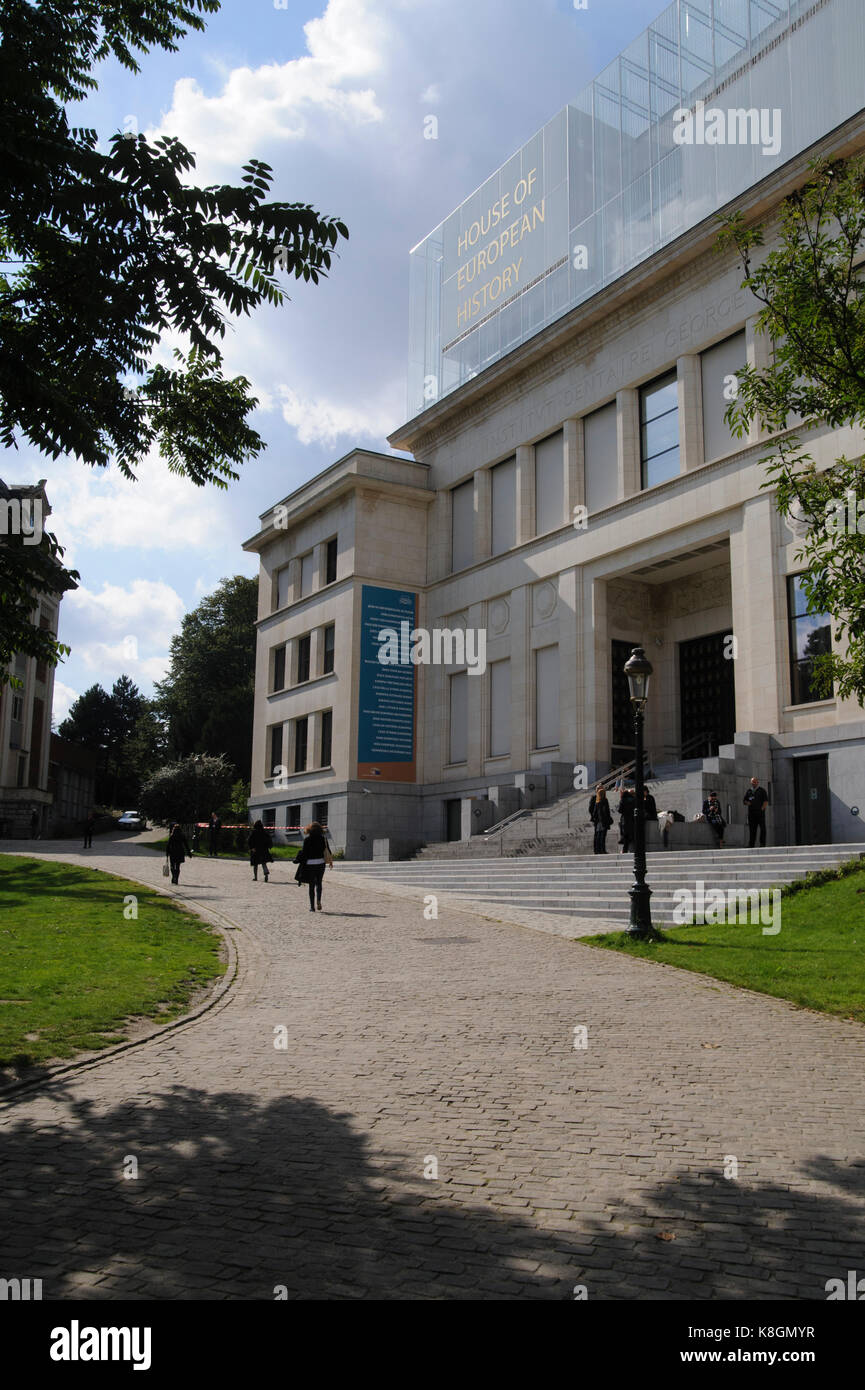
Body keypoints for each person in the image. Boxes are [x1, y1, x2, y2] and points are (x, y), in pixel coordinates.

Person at [296, 821, 329, 912]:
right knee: (319, 883)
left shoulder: (307, 840)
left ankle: (312, 907)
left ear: (309, 829)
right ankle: (318, 900)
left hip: (310, 864)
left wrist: (298, 860)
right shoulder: (323, 839)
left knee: (311, 885)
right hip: (321, 863)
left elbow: (304, 853)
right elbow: (327, 851)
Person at [743, 776, 769, 847]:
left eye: (755, 782)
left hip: (760, 813)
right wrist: (747, 802)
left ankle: (762, 844)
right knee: (752, 830)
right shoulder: (749, 791)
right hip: (751, 814)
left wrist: (762, 808)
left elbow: (766, 801)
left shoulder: (762, 790)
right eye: (752, 782)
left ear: (757, 782)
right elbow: (744, 800)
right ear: (751, 782)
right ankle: (751, 844)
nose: (753, 783)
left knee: (762, 829)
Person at [588, 784, 613, 854]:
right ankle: (598, 850)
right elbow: (591, 809)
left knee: (599, 835)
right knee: (598, 835)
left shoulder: (599, 800)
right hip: (599, 820)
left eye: (601, 788)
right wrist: (596, 817)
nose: (600, 790)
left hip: (599, 819)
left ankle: (599, 850)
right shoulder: (595, 798)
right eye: (599, 788)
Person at [617, 785, 636, 854]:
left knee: (625, 836)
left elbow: (619, 810)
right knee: (633, 834)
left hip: (625, 819)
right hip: (632, 819)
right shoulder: (634, 800)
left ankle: (625, 850)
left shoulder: (622, 800)